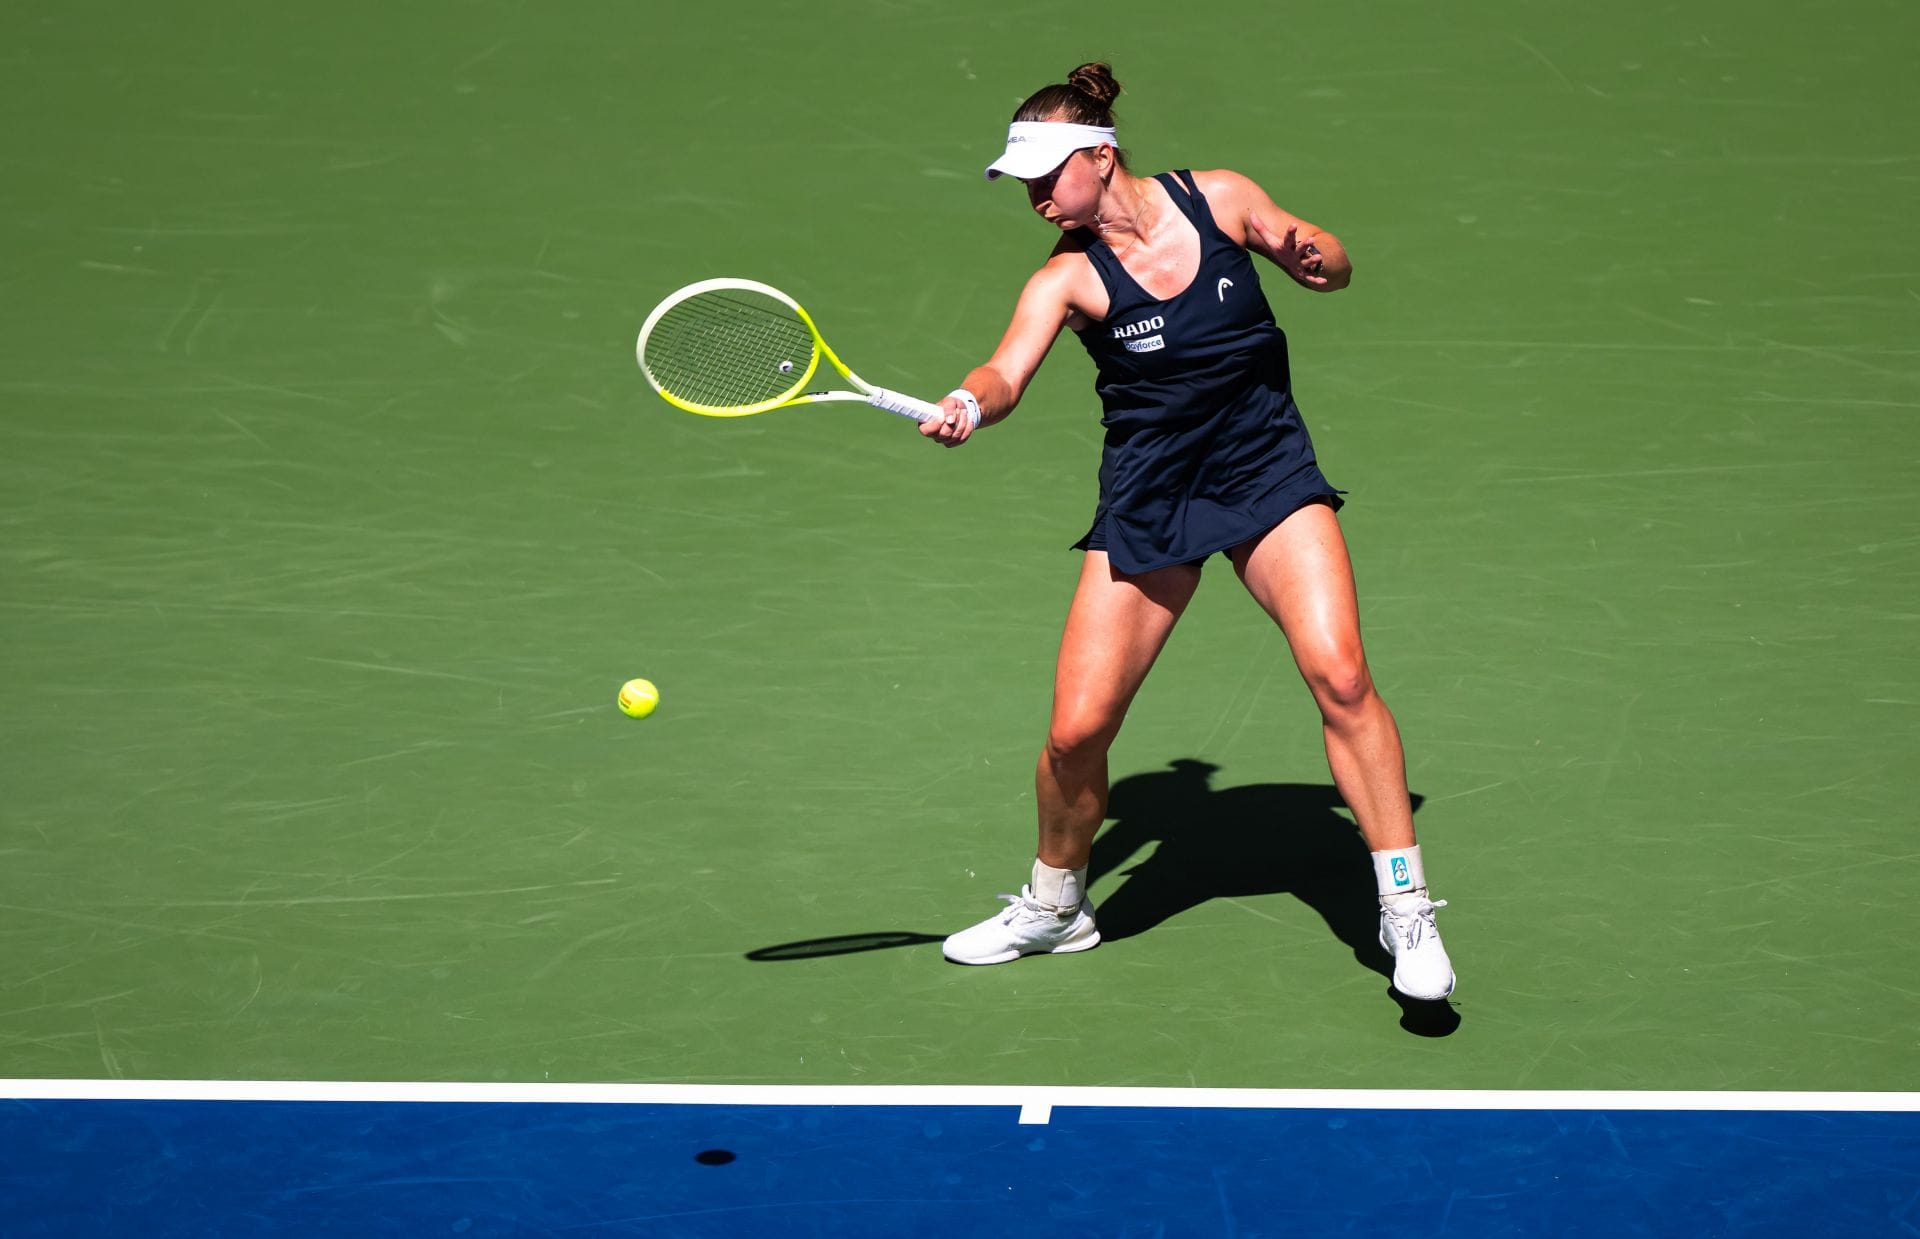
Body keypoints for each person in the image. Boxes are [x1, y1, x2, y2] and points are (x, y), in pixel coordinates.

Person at [924, 62, 1455, 1001]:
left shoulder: (1219, 199)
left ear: (1101, 155)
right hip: (1152, 498)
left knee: (1341, 674)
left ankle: (1406, 909)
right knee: (1075, 733)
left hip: (1267, 475)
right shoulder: (1067, 279)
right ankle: (1056, 905)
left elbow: (1324, 257)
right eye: (1024, 185)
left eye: (1049, 177)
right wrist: (973, 398)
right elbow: (1007, 368)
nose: (1038, 198)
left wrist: (1311, 252)